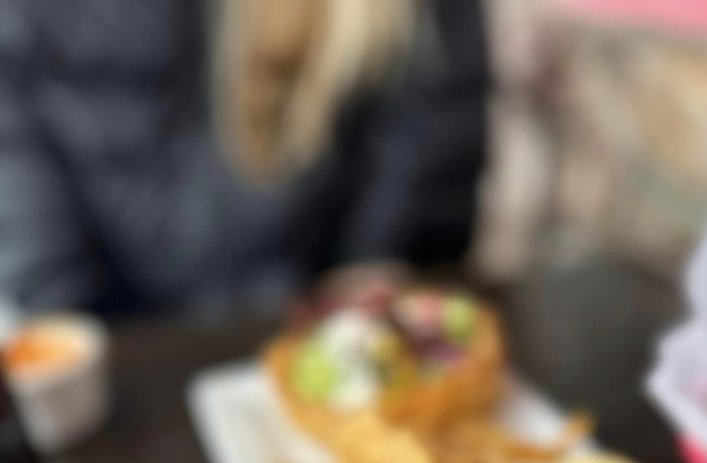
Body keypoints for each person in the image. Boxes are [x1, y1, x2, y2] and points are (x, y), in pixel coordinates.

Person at [0, 0, 489, 317]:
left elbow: (429, 148)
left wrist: (375, 265)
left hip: (317, 318)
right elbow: (34, 240)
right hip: (125, 356)